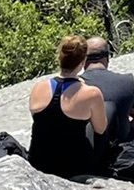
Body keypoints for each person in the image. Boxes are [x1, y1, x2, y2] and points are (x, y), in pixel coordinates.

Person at [26, 35, 108, 178]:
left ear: (60, 58)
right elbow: (101, 130)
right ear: (83, 62)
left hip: (38, 163)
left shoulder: (38, 88)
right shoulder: (91, 93)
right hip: (74, 167)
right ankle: (100, 168)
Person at [80, 37, 134, 163]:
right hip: (119, 149)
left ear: (83, 59)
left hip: (86, 151)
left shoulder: (74, 86)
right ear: (107, 57)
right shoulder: (127, 82)